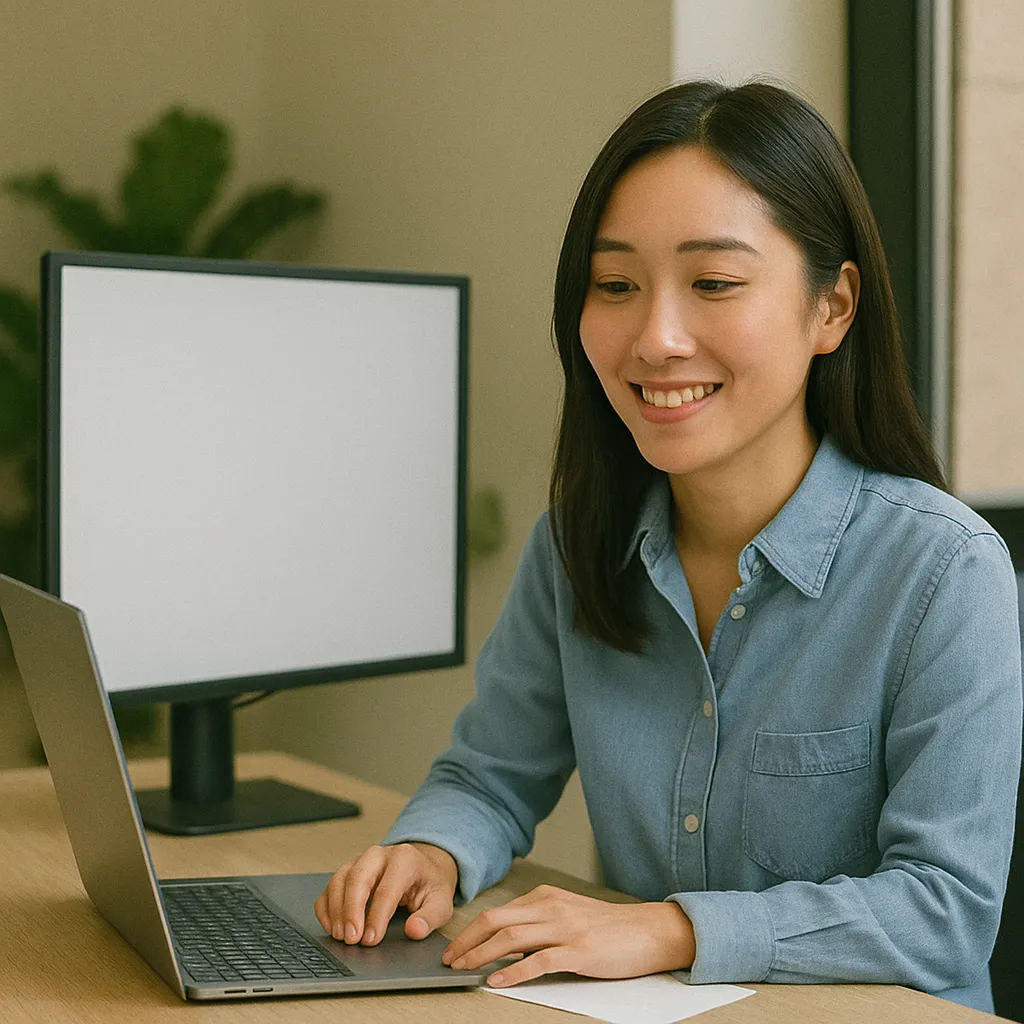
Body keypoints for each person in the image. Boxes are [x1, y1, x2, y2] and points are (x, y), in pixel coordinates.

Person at [314, 80, 1022, 1012]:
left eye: (714, 283)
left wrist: (673, 927)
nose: (655, 337)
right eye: (615, 286)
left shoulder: (942, 571)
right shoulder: (578, 542)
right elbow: (490, 778)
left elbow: (944, 910)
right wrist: (430, 850)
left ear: (833, 309)